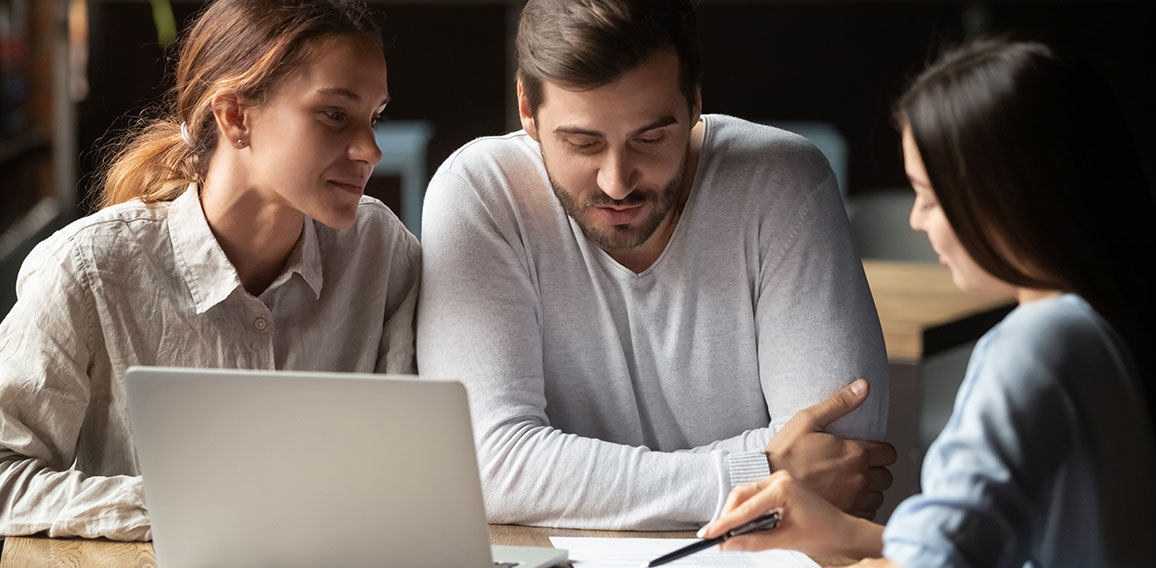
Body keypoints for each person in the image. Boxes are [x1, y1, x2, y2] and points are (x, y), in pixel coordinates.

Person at [416, 0, 894, 530]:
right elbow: (487, 467)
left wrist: (562, 480)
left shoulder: (782, 182)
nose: (616, 182)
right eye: (582, 143)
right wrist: (754, 471)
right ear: (527, 109)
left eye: (650, 138)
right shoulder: (482, 192)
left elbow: (843, 456)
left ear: (694, 102)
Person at [699, 37, 1156, 567]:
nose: (916, 220)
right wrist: (843, 534)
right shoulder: (1095, 330)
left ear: (1008, 194)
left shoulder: (1036, 344)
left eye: (931, 197)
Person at [0, 0, 419, 541]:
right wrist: (190, 506)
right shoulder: (87, 271)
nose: (370, 149)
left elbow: (406, 468)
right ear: (235, 117)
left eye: (375, 117)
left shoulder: (381, 251)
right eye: (335, 114)